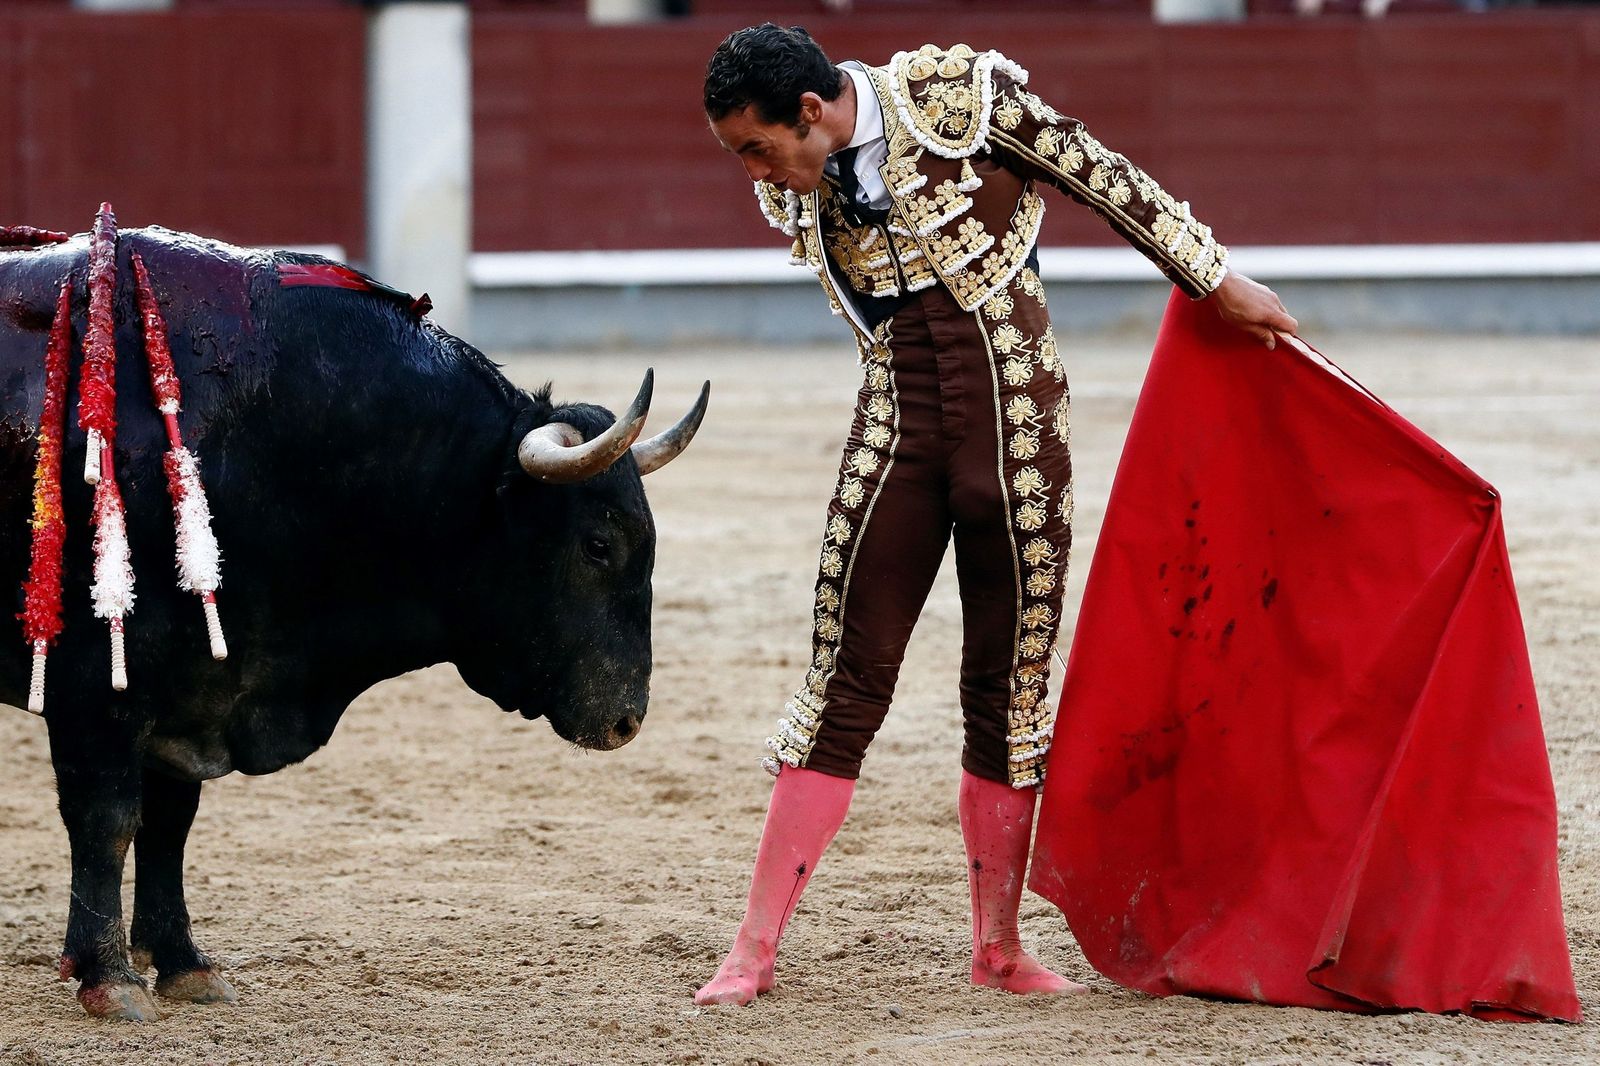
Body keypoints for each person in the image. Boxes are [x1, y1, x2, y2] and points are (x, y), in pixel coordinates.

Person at [696, 23, 1297, 1006]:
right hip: (896, 424)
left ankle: (999, 947)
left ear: (810, 111)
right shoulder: (793, 177)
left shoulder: (956, 100)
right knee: (841, 674)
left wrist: (1216, 279)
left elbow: (1100, 174)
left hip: (1015, 428)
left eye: (759, 147)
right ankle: (752, 949)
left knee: (1007, 690)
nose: (755, 172)